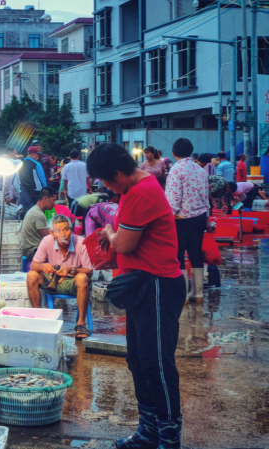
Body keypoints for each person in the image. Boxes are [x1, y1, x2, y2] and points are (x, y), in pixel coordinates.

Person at [88, 143, 185, 449]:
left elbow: (125, 244)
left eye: (105, 181)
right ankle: (148, 431)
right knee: (138, 360)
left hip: (158, 285)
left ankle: (169, 437)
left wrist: (109, 233)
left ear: (118, 173)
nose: (105, 187)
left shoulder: (142, 191)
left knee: (156, 363)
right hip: (141, 284)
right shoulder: (133, 188)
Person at [26, 214, 93, 338]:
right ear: (52, 233)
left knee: (82, 277)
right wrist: (43, 266)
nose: (63, 234)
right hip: (53, 281)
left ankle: (81, 324)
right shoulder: (47, 241)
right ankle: (38, 318)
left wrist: (71, 269)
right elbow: (33, 265)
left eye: (66, 229)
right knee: (32, 275)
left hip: (74, 283)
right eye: (58, 231)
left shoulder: (80, 242)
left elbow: (89, 271)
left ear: (71, 230)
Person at [165, 138, 209, 303]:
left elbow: (173, 198)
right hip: (200, 217)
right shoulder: (200, 169)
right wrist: (207, 218)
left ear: (173, 153)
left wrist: (168, 218)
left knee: (178, 255)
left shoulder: (176, 170)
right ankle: (198, 293)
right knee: (195, 253)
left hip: (181, 218)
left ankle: (181, 295)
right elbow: (206, 196)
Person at [21, 187, 58, 261]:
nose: (54, 203)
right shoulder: (38, 214)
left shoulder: (34, 210)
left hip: (31, 250)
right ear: (45, 199)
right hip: (33, 251)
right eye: (53, 200)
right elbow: (48, 239)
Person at [19, 147, 48, 213]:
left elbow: (14, 180)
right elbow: (43, 180)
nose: (38, 158)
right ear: (32, 155)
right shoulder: (37, 164)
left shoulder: (19, 164)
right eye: (37, 156)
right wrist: (46, 192)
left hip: (23, 193)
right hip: (35, 193)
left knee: (24, 214)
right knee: (36, 213)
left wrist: (19, 190)